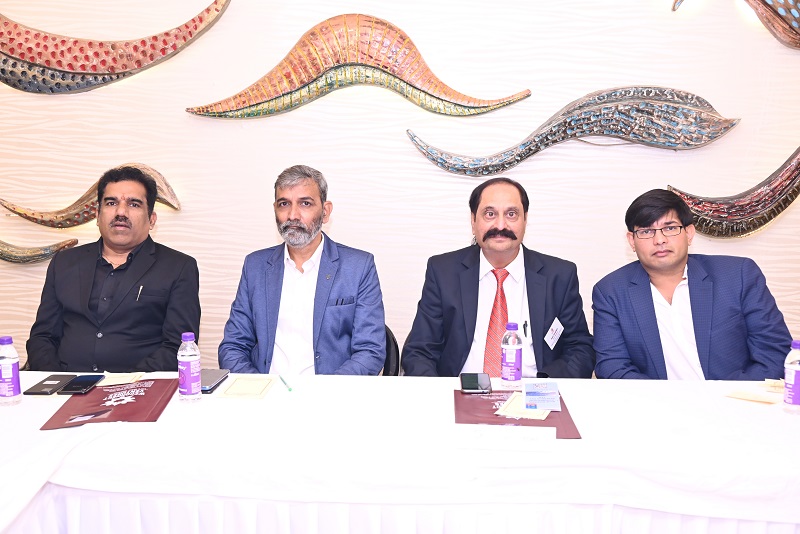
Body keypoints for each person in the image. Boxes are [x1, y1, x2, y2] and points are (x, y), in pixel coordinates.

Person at [402, 177, 595, 378]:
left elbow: (580, 349)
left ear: (525, 220)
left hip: (533, 391)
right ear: (473, 220)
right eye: (490, 214)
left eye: (511, 214)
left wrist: (540, 386)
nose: (501, 225)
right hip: (461, 388)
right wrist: (439, 393)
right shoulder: (443, 272)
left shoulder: (559, 276)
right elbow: (420, 351)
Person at [592, 188, 791, 380]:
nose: (659, 240)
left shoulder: (738, 275)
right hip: (657, 402)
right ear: (632, 241)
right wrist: (665, 399)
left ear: (689, 233)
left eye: (670, 228)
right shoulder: (611, 292)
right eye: (646, 231)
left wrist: (723, 397)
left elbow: (773, 353)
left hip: (734, 398)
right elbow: (612, 367)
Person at [27, 165, 201, 372]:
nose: (121, 212)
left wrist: (126, 383)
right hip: (68, 383)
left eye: (134, 204)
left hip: (139, 385)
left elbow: (178, 346)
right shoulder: (64, 263)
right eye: (111, 203)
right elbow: (43, 337)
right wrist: (57, 381)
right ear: (97, 215)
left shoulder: (178, 267)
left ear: (151, 219)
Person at [218, 165, 386, 375]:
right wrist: (260, 387)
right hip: (266, 389)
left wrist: (322, 391)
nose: (293, 215)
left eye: (305, 203)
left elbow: (370, 351)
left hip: (330, 390)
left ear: (325, 211)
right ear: (275, 210)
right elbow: (233, 346)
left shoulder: (358, 267)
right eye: (284, 204)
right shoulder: (255, 266)